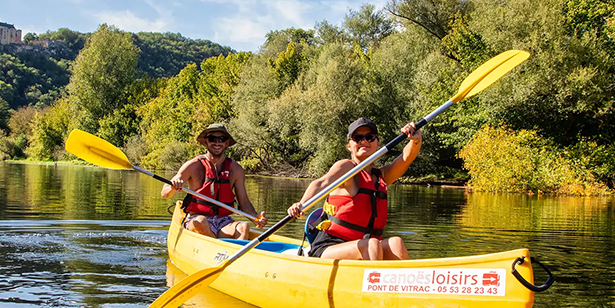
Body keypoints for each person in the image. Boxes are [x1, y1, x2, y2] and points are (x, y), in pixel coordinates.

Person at [287, 118, 421, 260]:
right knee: (372, 245)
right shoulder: (347, 168)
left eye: (370, 137)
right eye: (357, 138)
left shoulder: (381, 176)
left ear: (377, 143)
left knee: (396, 243)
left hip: (366, 246)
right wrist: (302, 204)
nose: (364, 141)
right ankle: (373, 280)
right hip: (329, 247)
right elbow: (321, 183)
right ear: (349, 146)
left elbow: (406, 159)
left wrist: (415, 140)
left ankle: (398, 280)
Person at [162, 123, 266, 240]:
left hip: (224, 222)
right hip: (197, 218)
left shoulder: (236, 169)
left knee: (244, 227)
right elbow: (164, 193)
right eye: (212, 139)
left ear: (226, 143)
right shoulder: (193, 165)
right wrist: (172, 187)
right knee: (200, 222)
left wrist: (256, 218)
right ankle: (215, 246)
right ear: (205, 142)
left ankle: (232, 254)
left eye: (221, 139)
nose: (217, 143)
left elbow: (244, 204)